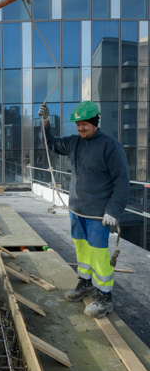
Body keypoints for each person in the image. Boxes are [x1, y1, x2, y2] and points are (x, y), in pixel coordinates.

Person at [38, 101, 129, 318]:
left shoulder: (110, 146)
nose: (80, 128)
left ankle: (105, 298)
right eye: (78, 124)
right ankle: (85, 283)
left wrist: (113, 211)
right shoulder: (74, 143)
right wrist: (45, 122)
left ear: (95, 122)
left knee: (98, 254)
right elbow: (49, 143)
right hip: (77, 210)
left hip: (98, 214)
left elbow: (122, 182)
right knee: (82, 250)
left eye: (85, 124)